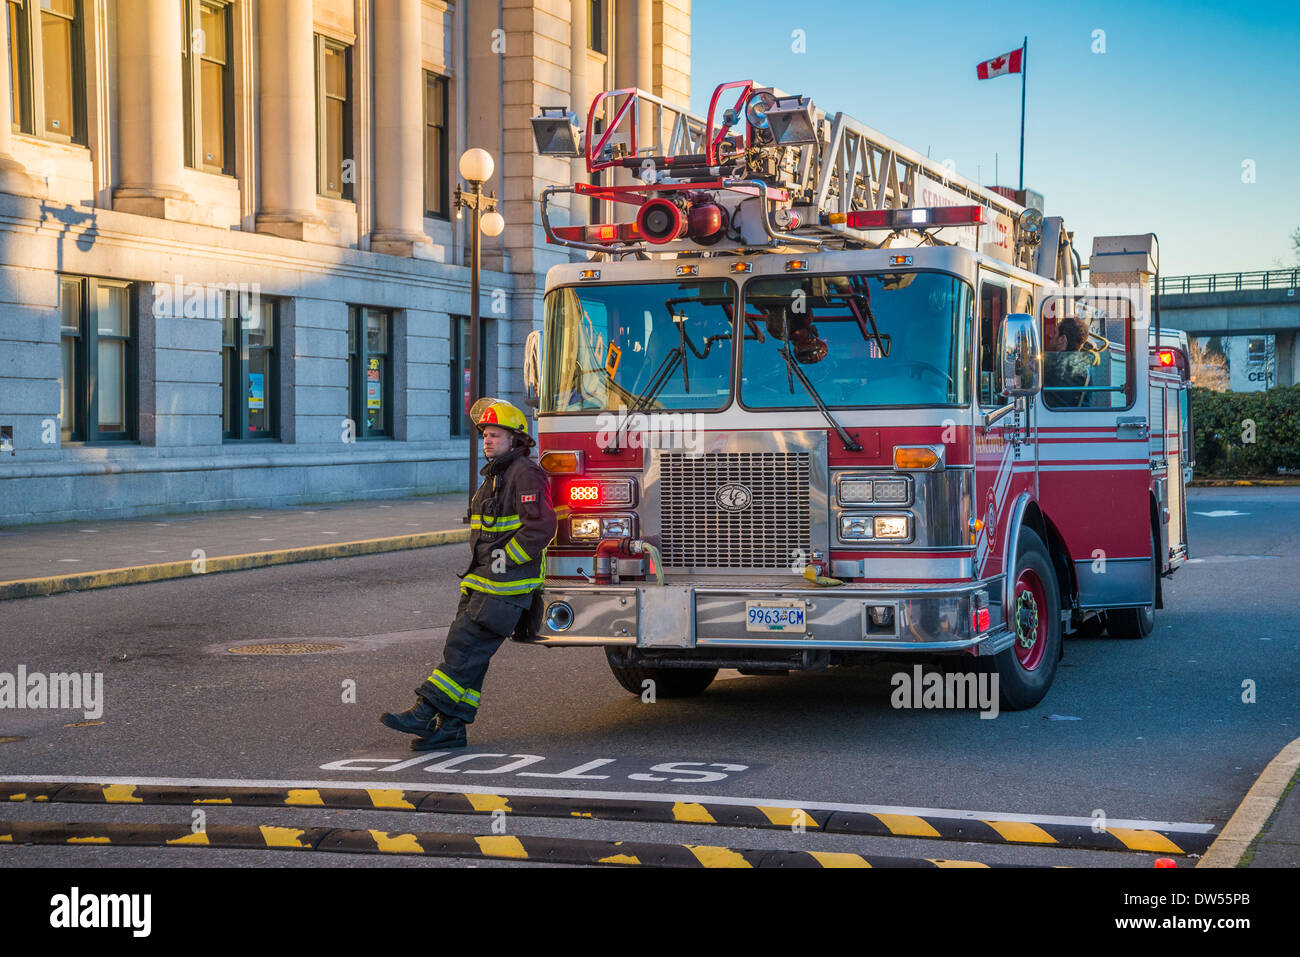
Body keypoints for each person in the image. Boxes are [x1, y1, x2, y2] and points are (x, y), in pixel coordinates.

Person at [380, 400, 556, 750]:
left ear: (515, 439)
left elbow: (541, 526)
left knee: (464, 648)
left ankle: (425, 709)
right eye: (485, 435)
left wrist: (503, 561)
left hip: (505, 586)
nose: (487, 441)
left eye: (495, 435)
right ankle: (451, 728)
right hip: (483, 582)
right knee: (470, 656)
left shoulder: (524, 473)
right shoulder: (496, 475)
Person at [1043, 316, 1094, 408]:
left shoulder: (1051, 365)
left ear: (1062, 339)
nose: (1051, 335)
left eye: (1055, 333)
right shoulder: (1086, 368)